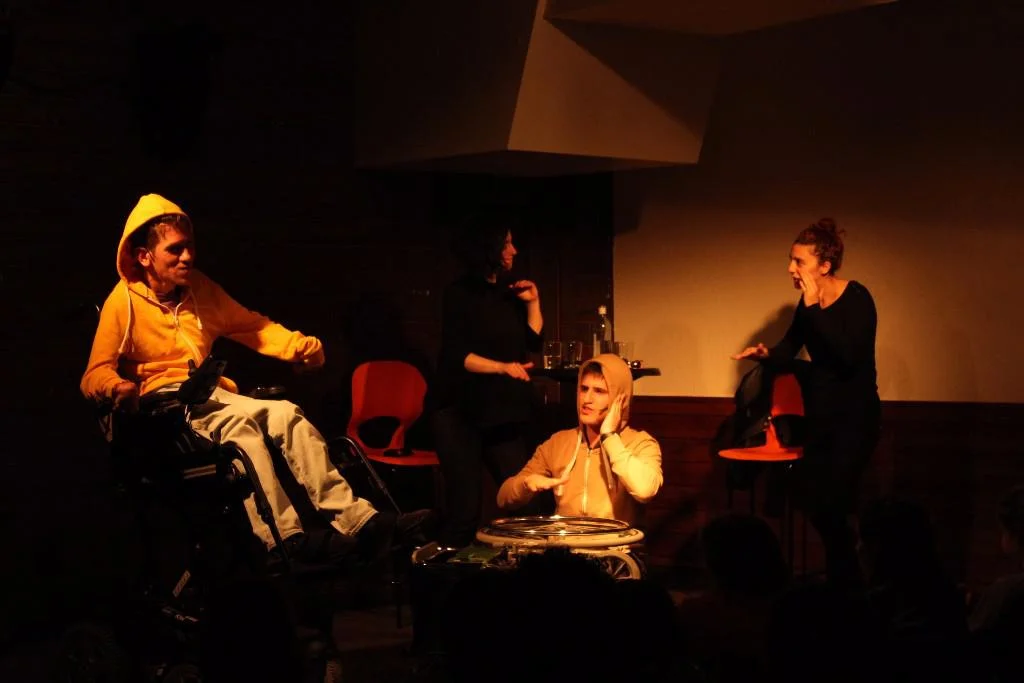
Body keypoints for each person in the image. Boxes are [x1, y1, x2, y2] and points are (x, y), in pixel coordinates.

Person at [81, 193, 431, 565]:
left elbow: (253, 326)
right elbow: (94, 373)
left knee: (287, 414)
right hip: (165, 406)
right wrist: (117, 387)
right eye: (175, 249)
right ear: (144, 256)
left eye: (190, 247)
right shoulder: (124, 302)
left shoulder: (200, 290)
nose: (187, 256)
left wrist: (300, 348)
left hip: (209, 393)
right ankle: (283, 539)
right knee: (240, 428)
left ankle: (360, 521)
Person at [732, 218, 880, 589]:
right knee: (818, 506)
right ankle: (844, 584)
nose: (790, 268)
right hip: (823, 418)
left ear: (824, 265)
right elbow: (791, 345)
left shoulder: (857, 297)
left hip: (855, 420)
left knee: (834, 505)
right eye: (791, 259)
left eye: (799, 261)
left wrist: (815, 309)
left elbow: (848, 356)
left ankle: (849, 587)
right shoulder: (807, 304)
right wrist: (767, 354)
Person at [428, 220, 544, 547]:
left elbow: (533, 340)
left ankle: (528, 570)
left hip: (500, 414)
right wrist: (501, 367)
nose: (513, 250)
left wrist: (533, 302)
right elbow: (457, 356)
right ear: (488, 247)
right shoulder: (459, 293)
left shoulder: (510, 292)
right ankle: (446, 571)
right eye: (507, 243)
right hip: (459, 414)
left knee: (526, 501)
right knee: (465, 510)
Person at [496, 353, 662, 525]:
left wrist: (609, 436)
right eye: (584, 389)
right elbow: (503, 498)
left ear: (620, 400)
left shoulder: (640, 443)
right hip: (566, 540)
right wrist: (525, 484)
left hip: (615, 542)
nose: (587, 399)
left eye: (599, 391)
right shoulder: (559, 442)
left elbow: (645, 490)